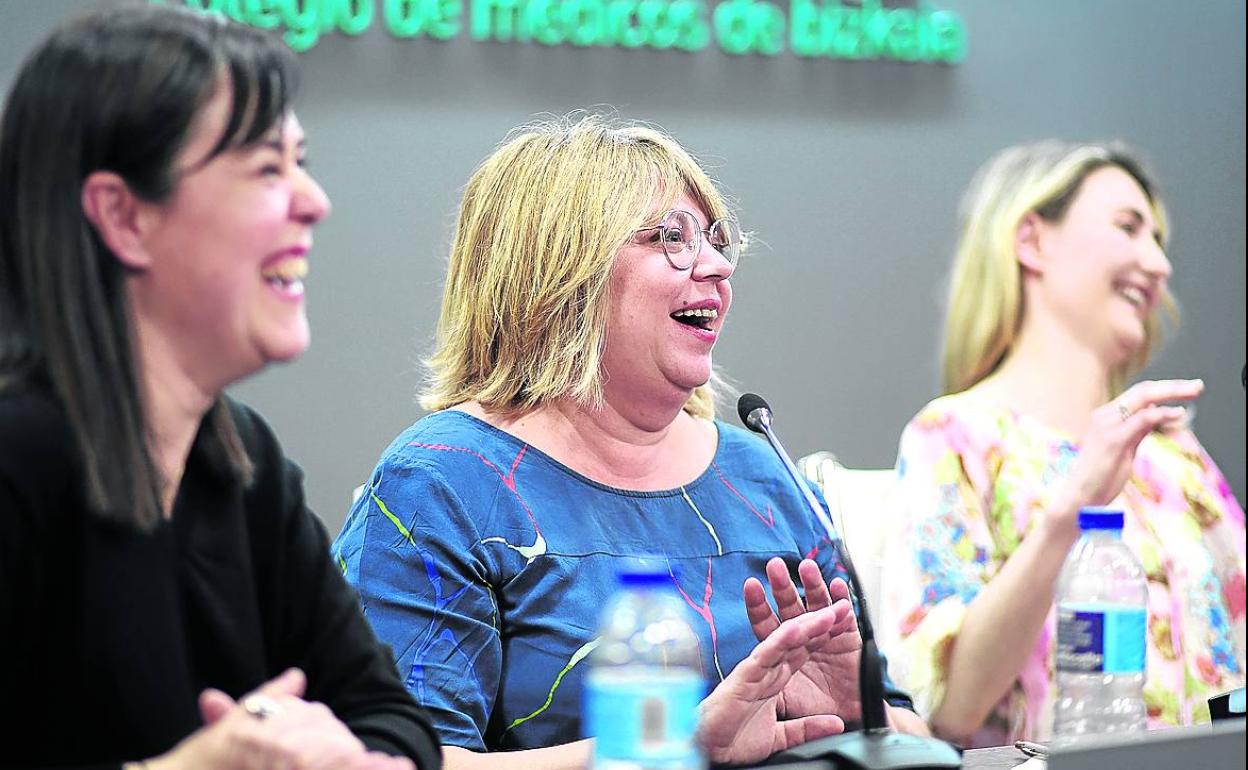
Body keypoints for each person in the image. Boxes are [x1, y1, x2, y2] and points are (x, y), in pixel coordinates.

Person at [332, 115, 929, 770]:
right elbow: (392, 763)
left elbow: (922, 743)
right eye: (670, 238)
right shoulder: (443, 484)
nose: (718, 267)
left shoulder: (766, 476)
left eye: (716, 240)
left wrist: (865, 711)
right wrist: (667, 749)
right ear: (559, 271)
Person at [0, 6, 441, 769]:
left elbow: (390, 718)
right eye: (267, 168)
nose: (315, 200)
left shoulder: (241, 463)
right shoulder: (15, 460)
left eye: (300, 161)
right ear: (124, 215)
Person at [877, 140, 1246, 747]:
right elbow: (950, 709)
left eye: (1159, 241)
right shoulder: (954, 439)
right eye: (1129, 228)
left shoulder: (1174, 454)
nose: (1158, 265)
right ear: (1031, 242)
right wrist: (1070, 510)